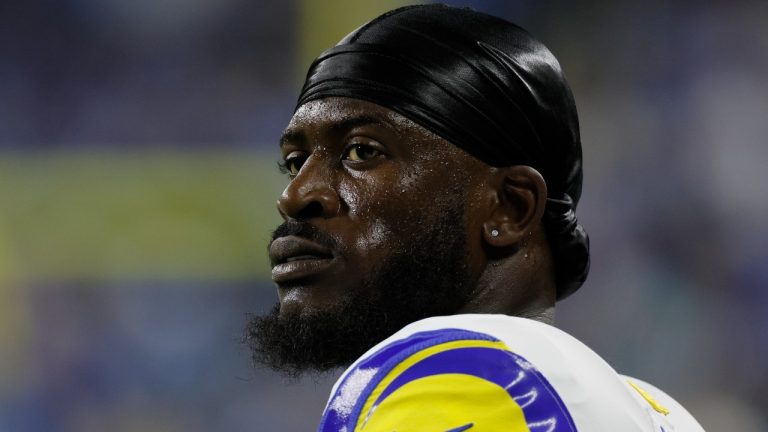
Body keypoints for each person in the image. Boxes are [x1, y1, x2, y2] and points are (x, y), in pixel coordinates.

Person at [246, 4, 705, 431]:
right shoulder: (656, 411)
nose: (295, 195)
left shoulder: (462, 376)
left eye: (362, 152)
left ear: (510, 207)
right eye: (294, 161)